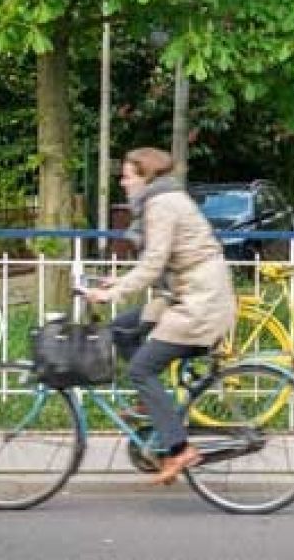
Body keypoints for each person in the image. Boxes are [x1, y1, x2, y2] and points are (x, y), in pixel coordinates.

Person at [81, 147, 236, 485]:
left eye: (127, 176)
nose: (122, 183)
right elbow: (158, 260)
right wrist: (118, 281)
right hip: (188, 294)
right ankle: (150, 406)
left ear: (145, 176)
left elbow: (153, 263)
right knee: (122, 328)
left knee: (141, 369)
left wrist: (112, 293)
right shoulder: (164, 199)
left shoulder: (162, 205)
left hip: (200, 304)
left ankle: (179, 450)